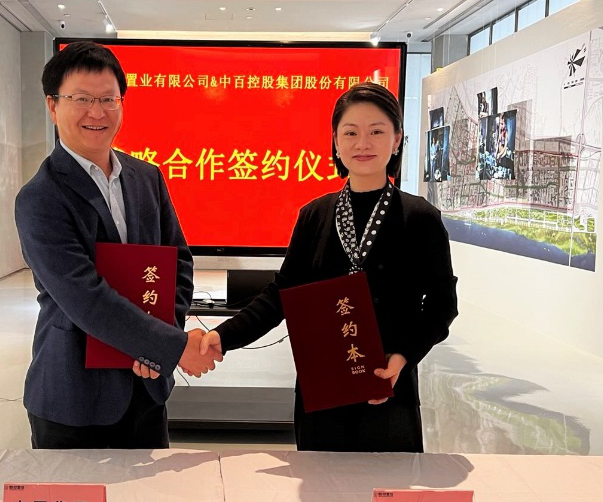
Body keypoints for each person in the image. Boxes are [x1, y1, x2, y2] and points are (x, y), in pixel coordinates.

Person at [189, 82, 458, 452]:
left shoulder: (420, 218)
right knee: (317, 482)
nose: (362, 143)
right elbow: (281, 295)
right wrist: (224, 336)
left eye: (376, 132)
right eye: (350, 132)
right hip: (322, 390)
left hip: (389, 386)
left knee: (389, 483)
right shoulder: (314, 215)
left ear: (397, 139)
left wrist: (403, 356)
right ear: (335, 141)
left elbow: (442, 305)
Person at [16, 41, 220, 450]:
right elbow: (85, 298)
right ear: (52, 105)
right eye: (81, 99)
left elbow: (178, 262)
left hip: (146, 389)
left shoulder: (147, 177)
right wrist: (170, 347)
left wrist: (158, 344)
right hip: (75, 396)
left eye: (108, 99)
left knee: (153, 492)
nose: (97, 112)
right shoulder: (40, 197)